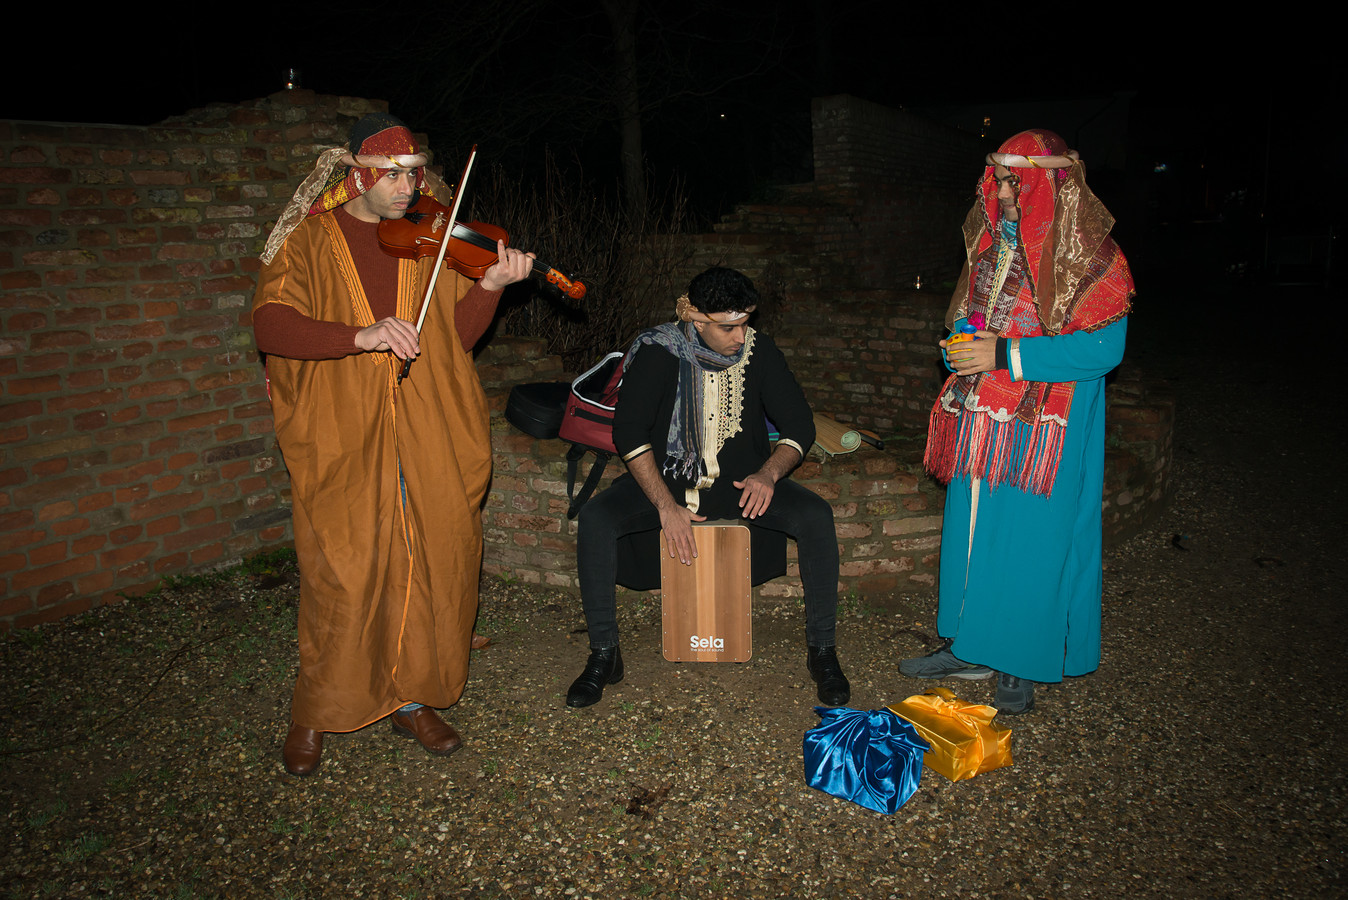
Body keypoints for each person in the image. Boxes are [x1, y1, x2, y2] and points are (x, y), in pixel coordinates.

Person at [252, 113, 534, 775]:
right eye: (395, 175)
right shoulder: (308, 240)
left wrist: (489, 287)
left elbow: (453, 341)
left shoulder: (429, 238)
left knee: (428, 557)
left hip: (426, 426)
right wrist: (361, 335)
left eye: (415, 173)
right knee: (343, 572)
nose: (411, 186)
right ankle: (319, 707)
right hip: (343, 431)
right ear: (357, 174)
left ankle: (410, 698)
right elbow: (270, 325)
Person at [899, 130, 1134, 715]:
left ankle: (1020, 656)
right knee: (972, 528)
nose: (1002, 191)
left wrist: (1003, 355)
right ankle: (970, 643)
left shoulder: (1092, 254)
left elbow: (1104, 350)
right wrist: (964, 347)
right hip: (981, 410)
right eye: (998, 179)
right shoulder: (992, 244)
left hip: (1044, 423)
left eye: (1013, 180)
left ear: (1049, 182)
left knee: (1031, 539)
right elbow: (981, 319)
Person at [566, 266, 849, 708]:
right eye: (729, 326)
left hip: (739, 484)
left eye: (746, 323)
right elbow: (630, 433)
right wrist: (664, 505)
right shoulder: (659, 351)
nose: (741, 336)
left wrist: (768, 473)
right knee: (597, 519)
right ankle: (604, 653)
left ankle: (823, 652)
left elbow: (799, 425)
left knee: (816, 516)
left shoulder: (760, 352)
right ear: (697, 320)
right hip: (667, 484)